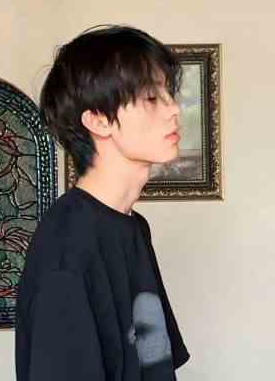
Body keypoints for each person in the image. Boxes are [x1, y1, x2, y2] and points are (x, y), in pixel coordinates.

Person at [15, 24, 190, 381]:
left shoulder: (131, 227)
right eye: (151, 97)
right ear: (97, 120)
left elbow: (155, 362)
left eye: (168, 93)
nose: (173, 109)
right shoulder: (66, 249)